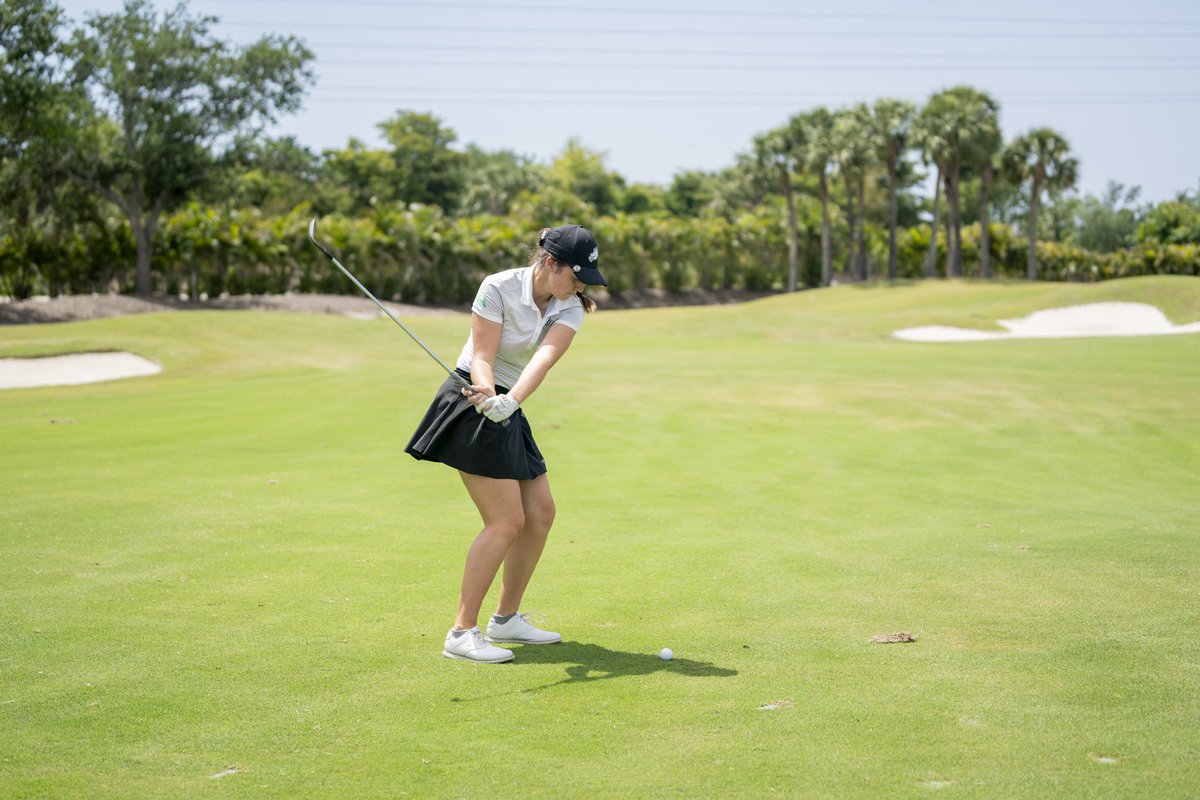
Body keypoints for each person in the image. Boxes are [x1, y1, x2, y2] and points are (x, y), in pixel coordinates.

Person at [405, 224, 607, 663]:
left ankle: (507, 618)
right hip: (470, 399)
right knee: (505, 520)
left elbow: (544, 359)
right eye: (575, 277)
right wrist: (489, 396)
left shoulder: (570, 307)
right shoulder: (496, 287)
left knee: (540, 513)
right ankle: (461, 632)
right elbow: (482, 355)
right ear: (549, 262)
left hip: (507, 404)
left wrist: (510, 401)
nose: (579, 288)